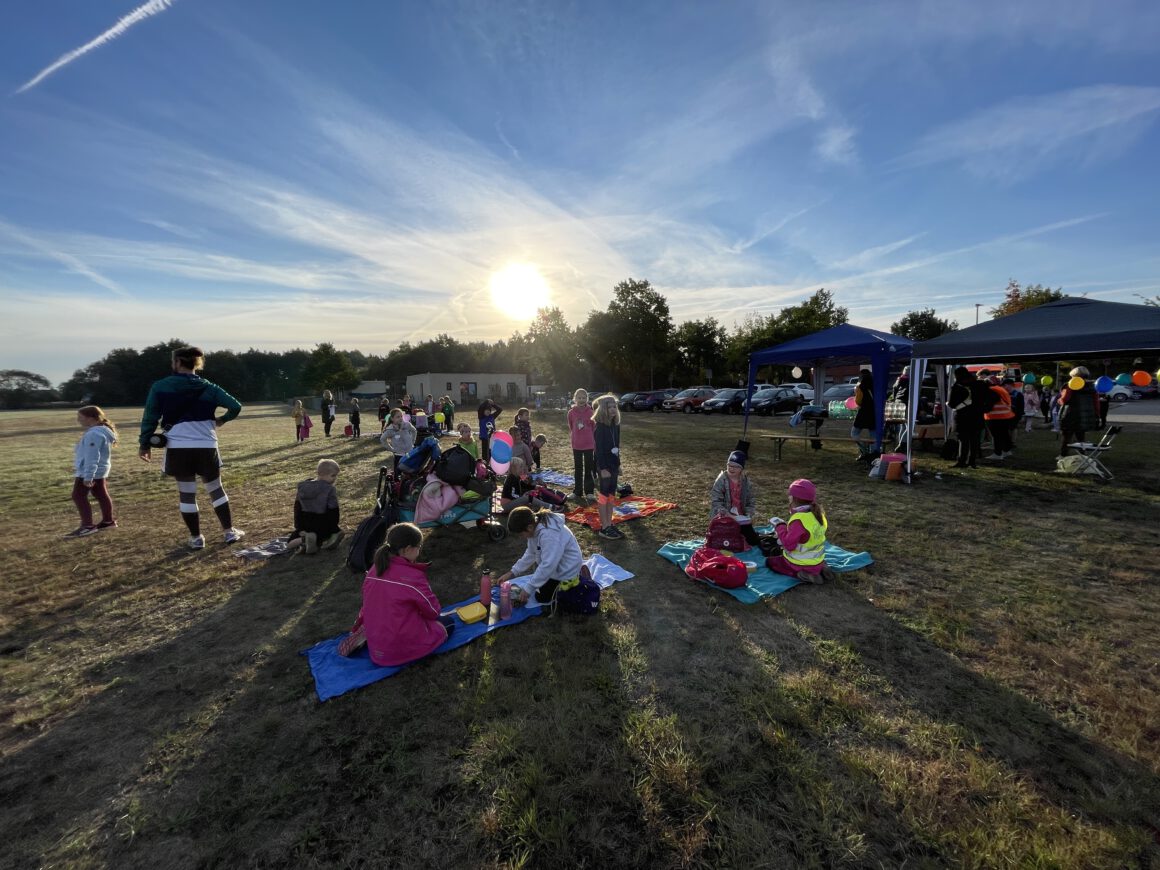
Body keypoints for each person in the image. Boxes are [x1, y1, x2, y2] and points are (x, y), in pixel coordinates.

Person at [139, 345, 245, 549]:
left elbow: (150, 417)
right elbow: (236, 406)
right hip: (206, 445)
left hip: (178, 446)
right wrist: (222, 420)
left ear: (177, 362)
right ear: (197, 363)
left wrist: (145, 443)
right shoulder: (209, 387)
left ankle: (196, 538)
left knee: (187, 492)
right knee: (215, 489)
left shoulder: (160, 386)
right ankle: (229, 532)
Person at [337, 523, 454, 663]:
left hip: (376, 649)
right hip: (400, 649)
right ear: (407, 549)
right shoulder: (412, 577)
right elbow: (433, 611)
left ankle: (369, 634)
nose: (419, 551)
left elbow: (368, 604)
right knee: (448, 622)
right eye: (419, 547)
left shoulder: (374, 569)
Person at [493, 506, 585, 606]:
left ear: (529, 527)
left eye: (521, 534)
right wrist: (512, 572)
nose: (521, 538)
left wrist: (529, 588)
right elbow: (531, 553)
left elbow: (548, 564)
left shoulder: (549, 535)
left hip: (566, 569)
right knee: (539, 583)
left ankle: (576, 578)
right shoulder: (534, 527)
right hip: (556, 565)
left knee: (542, 597)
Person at [765, 479, 834, 584]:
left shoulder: (799, 520)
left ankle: (805, 575)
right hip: (817, 560)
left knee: (770, 562)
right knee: (814, 563)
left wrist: (780, 526)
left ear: (793, 498)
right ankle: (822, 568)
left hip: (798, 562)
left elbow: (789, 545)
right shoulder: (819, 514)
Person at [65, 405, 118, 538]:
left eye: (80, 417)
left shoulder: (94, 433)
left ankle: (87, 526)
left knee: (78, 495)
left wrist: (88, 476)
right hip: (99, 470)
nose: (78, 420)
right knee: (100, 493)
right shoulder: (101, 431)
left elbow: (92, 456)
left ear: (90, 418)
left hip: (91, 471)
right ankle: (108, 521)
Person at [288, 459, 343, 554]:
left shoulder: (303, 487)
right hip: (322, 523)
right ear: (321, 474)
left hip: (305, 523)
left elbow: (297, 507)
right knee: (326, 534)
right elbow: (333, 510)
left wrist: (298, 526)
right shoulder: (330, 489)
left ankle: (304, 540)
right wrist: (334, 527)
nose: (335, 478)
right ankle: (328, 539)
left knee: (289, 544)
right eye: (333, 475)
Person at [709, 450, 760, 548]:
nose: (731, 468)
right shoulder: (721, 480)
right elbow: (716, 501)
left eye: (735, 466)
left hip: (741, 518)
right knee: (723, 544)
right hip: (724, 518)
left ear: (741, 468)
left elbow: (751, 501)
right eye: (729, 465)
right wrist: (727, 514)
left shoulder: (746, 482)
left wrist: (748, 515)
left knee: (753, 541)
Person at [592, 393, 623, 540]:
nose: (612, 409)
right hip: (603, 466)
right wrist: (603, 468)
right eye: (609, 406)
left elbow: (617, 446)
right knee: (604, 495)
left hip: (613, 464)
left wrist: (618, 464)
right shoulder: (600, 427)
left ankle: (609, 524)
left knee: (611, 495)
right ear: (603, 409)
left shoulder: (615, 426)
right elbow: (598, 450)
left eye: (614, 406)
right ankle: (604, 528)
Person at [948, 366, 988, 469]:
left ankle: (962, 461)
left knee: (963, 439)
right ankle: (972, 461)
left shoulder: (957, 386)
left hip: (963, 416)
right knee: (974, 439)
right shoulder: (980, 384)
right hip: (977, 415)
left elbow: (952, 404)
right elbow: (990, 398)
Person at [1058, 367, 1100, 457]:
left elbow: (1064, 400)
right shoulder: (1091, 386)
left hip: (1070, 415)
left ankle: (1063, 456)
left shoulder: (1070, 385)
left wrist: (1059, 400)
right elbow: (1096, 402)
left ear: (1073, 375)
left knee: (1067, 437)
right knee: (1081, 438)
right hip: (1085, 416)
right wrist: (1097, 415)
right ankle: (1083, 456)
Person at [568, 388, 596, 501]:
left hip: (589, 445)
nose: (581, 400)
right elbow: (571, 426)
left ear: (587, 399)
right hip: (577, 445)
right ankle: (577, 491)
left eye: (584, 398)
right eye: (579, 398)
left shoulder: (591, 412)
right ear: (575, 399)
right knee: (578, 469)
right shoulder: (571, 413)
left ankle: (589, 492)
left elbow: (594, 427)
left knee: (589, 468)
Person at [983, 378, 1015, 460]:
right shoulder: (999, 389)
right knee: (1004, 435)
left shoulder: (990, 391)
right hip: (1005, 416)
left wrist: (980, 409)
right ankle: (1007, 451)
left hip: (995, 417)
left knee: (997, 436)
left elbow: (988, 407)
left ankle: (998, 454)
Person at [851, 370, 877, 463]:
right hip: (874, 413)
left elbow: (858, 401)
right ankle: (874, 455)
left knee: (854, 434)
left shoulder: (860, 386)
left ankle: (864, 451)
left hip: (863, 413)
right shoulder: (876, 384)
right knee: (874, 435)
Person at [477, 398, 503, 463]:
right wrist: (486, 401)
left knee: (491, 452)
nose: (488, 411)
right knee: (485, 454)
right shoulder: (481, 417)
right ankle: (485, 465)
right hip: (485, 438)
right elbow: (480, 408)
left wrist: (493, 404)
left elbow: (500, 409)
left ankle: (492, 464)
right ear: (483, 411)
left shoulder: (492, 416)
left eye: (489, 410)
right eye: (486, 410)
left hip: (492, 438)